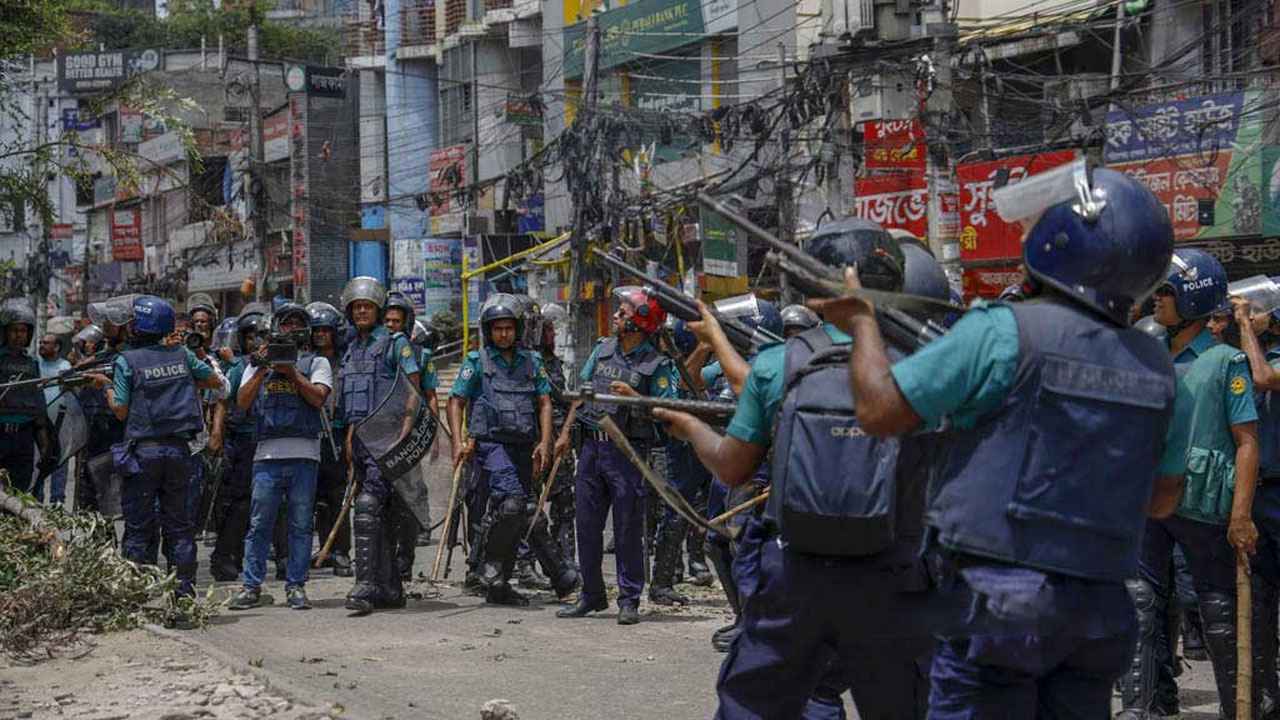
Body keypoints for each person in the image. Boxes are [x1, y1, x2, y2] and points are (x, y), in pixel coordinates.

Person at [817, 165, 1187, 718]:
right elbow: (1163, 499)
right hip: (1099, 611)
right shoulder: (1158, 367)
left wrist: (864, 323)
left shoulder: (1003, 330)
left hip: (997, 604)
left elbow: (877, 411)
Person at [654, 220, 937, 718]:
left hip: (795, 576)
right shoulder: (932, 363)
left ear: (811, 291)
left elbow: (733, 468)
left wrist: (690, 428)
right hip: (893, 577)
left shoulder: (776, 365)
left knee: (754, 704)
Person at [1116, 248, 1261, 719]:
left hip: (1204, 509)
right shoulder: (1148, 354)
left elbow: (1246, 443)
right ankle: (1143, 710)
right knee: (1139, 606)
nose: (1158, 299)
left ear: (1195, 300)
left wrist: (1240, 515)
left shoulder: (1227, 363)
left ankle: (1238, 709)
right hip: (1150, 505)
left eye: (1168, 292)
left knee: (1218, 612)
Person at [555, 286, 681, 625]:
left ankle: (629, 599)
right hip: (592, 449)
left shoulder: (658, 364)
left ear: (639, 323)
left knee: (627, 528)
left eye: (622, 313)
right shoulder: (603, 349)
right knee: (587, 526)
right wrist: (566, 433)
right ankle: (592, 595)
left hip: (627, 452)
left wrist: (635, 396)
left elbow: (668, 412)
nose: (615, 316)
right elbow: (581, 394)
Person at [448, 293, 577, 606]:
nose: (502, 334)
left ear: (517, 329)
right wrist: (458, 442)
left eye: (508, 328)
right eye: (497, 329)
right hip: (491, 446)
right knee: (512, 504)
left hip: (525, 446)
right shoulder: (476, 361)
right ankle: (490, 564)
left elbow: (544, 402)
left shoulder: (532, 362)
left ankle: (512, 583)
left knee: (527, 511)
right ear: (488, 330)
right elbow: (456, 401)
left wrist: (545, 442)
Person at [105, 295, 222, 597]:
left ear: (140, 326)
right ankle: (183, 595)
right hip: (179, 453)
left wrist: (104, 387)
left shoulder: (126, 361)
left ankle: (139, 595)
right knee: (179, 527)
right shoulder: (182, 355)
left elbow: (119, 409)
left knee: (140, 528)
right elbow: (213, 381)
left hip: (143, 455)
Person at [228, 303, 332, 611]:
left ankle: (296, 585)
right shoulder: (258, 362)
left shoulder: (317, 362)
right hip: (266, 456)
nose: (292, 330)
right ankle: (251, 586)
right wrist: (264, 367)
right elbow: (242, 401)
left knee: (301, 525)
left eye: (299, 324)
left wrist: (291, 371)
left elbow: (318, 397)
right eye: (287, 325)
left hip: (305, 454)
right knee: (260, 523)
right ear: (276, 329)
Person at [336, 277, 421, 616]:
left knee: (368, 506)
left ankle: (366, 585)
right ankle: (390, 587)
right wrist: (348, 438)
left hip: (387, 438)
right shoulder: (352, 348)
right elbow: (353, 401)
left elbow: (412, 388)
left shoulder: (394, 344)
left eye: (367, 307)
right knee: (381, 515)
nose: (361, 311)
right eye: (356, 307)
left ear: (378, 310)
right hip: (359, 441)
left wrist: (405, 431)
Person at [209, 304, 270, 581]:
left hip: (268, 442)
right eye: (249, 337)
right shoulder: (238, 368)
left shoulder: (277, 365)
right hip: (241, 443)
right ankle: (224, 557)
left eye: (260, 336)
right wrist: (217, 434)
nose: (254, 342)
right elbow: (223, 401)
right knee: (237, 503)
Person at [384, 292, 437, 579]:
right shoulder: (376, 349)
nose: (391, 325)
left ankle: (420, 530)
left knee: (412, 484)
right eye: (387, 320)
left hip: (408, 429)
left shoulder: (417, 355)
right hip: (379, 431)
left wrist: (433, 433)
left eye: (396, 320)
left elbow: (426, 394)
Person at [307, 301, 352, 577]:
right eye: (316, 330)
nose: (321, 335)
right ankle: (318, 550)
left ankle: (340, 552)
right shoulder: (305, 362)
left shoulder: (347, 360)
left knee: (338, 497)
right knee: (312, 498)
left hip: (338, 433)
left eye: (326, 330)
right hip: (311, 434)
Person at [0, 298, 52, 496]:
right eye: (13, 330)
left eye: (22, 331)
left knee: (20, 492)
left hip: (23, 437)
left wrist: (44, 444)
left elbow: (38, 407)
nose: (17, 336)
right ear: (5, 332)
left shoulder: (32, 364)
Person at [35, 333, 71, 505]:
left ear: (56, 347)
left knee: (59, 460)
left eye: (46, 343)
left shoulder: (65, 366)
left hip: (59, 421)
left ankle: (57, 500)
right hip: (38, 422)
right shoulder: (34, 365)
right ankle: (36, 498)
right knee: (38, 460)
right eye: (40, 342)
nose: (41, 345)